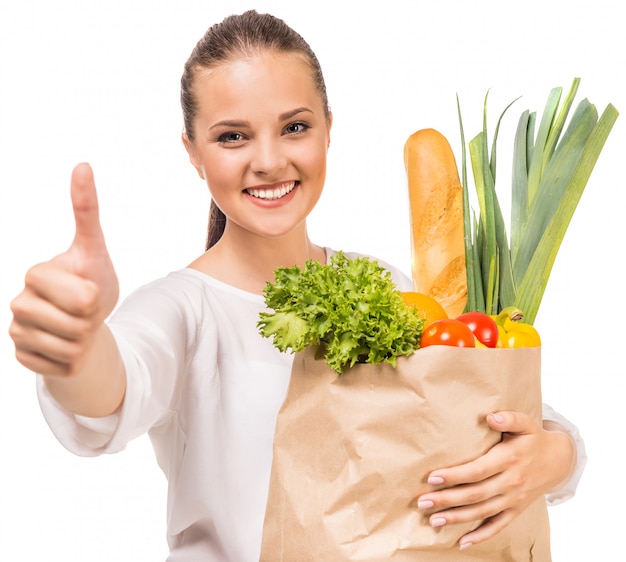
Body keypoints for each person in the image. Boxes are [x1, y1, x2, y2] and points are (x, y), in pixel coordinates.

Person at [9, 10, 585, 561]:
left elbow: (481, 407)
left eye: (295, 127)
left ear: (328, 130)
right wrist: (75, 348)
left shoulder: (384, 288)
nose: (268, 160)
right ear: (192, 153)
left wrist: (557, 454)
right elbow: (114, 386)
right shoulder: (183, 310)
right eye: (232, 137)